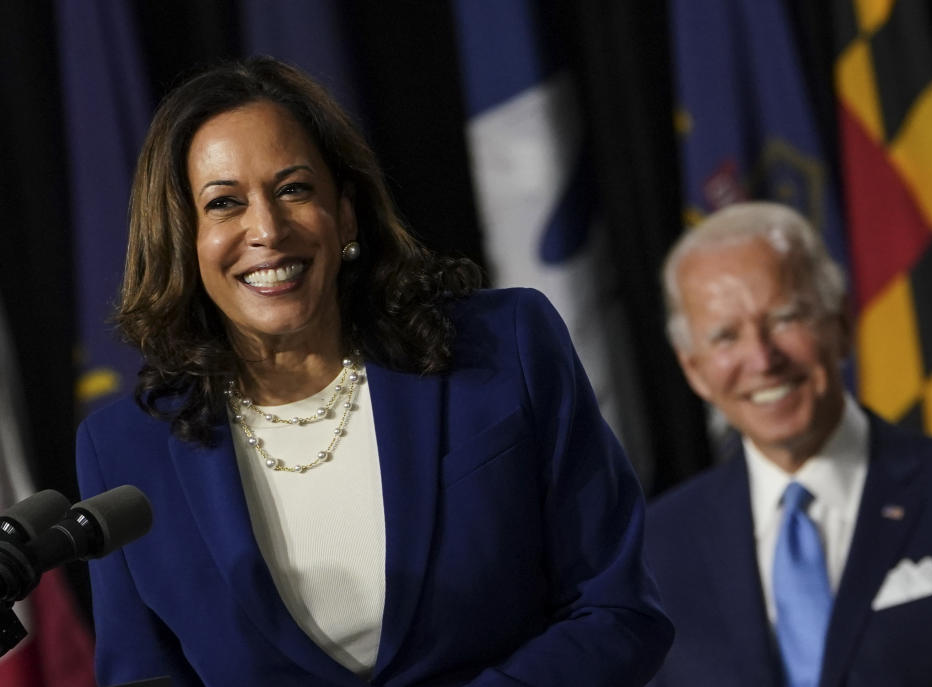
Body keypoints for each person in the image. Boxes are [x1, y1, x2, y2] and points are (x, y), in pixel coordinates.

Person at [74, 56, 672, 687]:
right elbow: (142, 677)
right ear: (182, 241)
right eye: (224, 203)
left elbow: (618, 609)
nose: (267, 229)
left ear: (347, 213)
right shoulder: (123, 451)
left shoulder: (503, 348)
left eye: (293, 189)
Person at [644, 201, 932, 686]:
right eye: (725, 337)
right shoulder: (657, 549)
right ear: (694, 369)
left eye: (785, 318)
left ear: (842, 324)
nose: (762, 358)